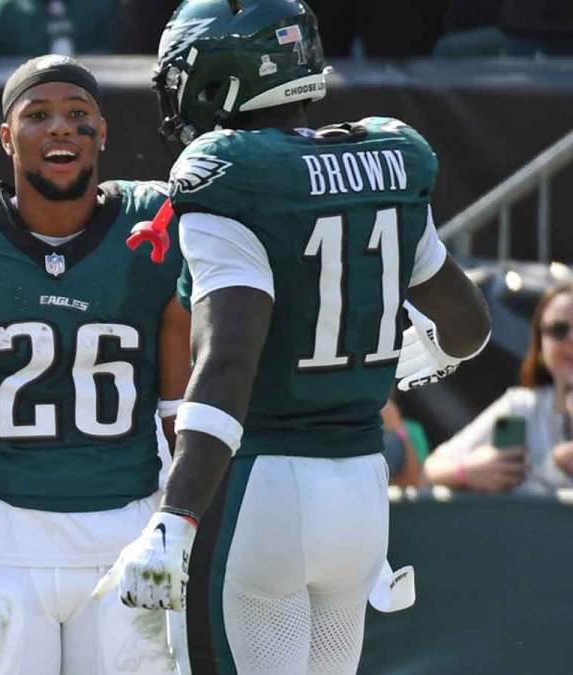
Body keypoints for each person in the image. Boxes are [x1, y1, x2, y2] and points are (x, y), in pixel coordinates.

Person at [108, 3, 493, 675]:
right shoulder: (387, 159)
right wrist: (430, 350)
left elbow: (230, 359)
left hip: (261, 490)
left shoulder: (228, 171)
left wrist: (175, 517)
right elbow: (469, 326)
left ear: (220, 78)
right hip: (360, 494)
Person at [0, 55, 191, 674]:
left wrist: (188, 534)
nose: (60, 127)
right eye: (38, 114)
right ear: (7, 136)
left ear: (102, 133)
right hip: (0, 537)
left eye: (78, 114)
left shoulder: (154, 229)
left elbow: (183, 419)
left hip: (127, 533)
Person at [426, 281, 573, 495]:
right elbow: (434, 466)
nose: (571, 339)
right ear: (540, 344)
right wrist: (468, 470)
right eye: (558, 330)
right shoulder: (521, 406)